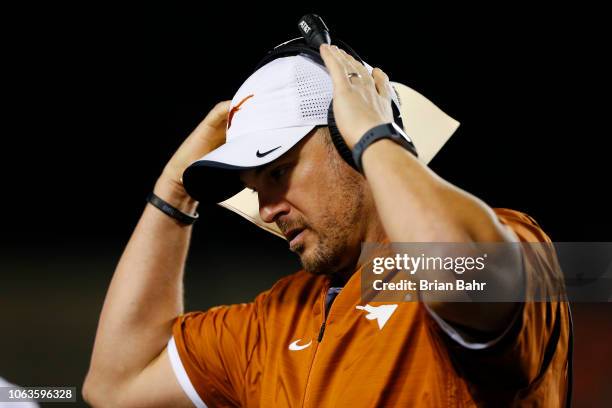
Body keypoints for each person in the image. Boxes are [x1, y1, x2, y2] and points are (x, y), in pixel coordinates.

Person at [83, 44, 570, 407]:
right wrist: (174, 188)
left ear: (348, 138)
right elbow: (114, 385)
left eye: (278, 172)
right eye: (256, 186)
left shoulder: (519, 244)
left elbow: (450, 266)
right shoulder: (276, 317)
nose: (268, 208)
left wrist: (375, 133)